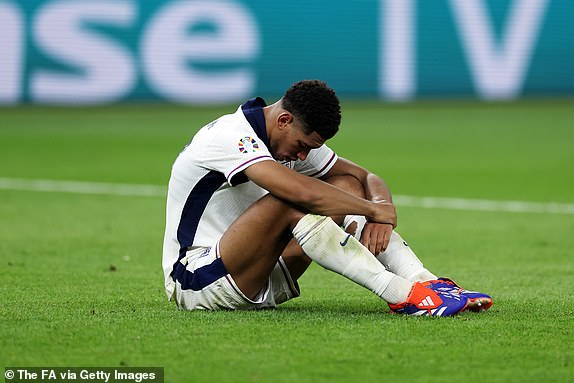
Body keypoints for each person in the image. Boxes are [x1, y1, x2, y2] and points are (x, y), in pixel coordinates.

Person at [162, 79, 492, 316]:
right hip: (198, 280)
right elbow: (301, 193)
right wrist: (375, 210)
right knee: (290, 199)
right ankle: (404, 295)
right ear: (284, 120)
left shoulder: (287, 136)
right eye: (303, 145)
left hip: (261, 273)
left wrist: (378, 211)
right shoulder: (230, 136)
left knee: (345, 186)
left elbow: (365, 177)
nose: (304, 155)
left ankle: (428, 284)